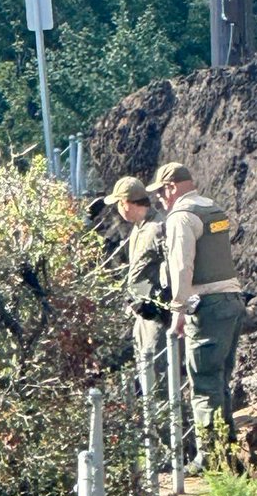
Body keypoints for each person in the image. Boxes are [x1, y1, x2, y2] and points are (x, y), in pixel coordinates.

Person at [145, 161, 245, 470]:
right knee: (220, 379)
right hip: (232, 300)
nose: (160, 200)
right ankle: (227, 454)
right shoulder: (212, 208)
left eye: (161, 193)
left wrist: (178, 312)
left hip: (208, 306)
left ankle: (210, 460)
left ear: (172, 187)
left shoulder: (181, 217)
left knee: (203, 381)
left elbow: (181, 267)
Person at [103, 175, 169, 371]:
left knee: (159, 374)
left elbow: (174, 267)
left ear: (126, 204)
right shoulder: (140, 229)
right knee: (145, 371)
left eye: (118, 204)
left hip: (157, 317)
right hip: (142, 314)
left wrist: (159, 303)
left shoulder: (158, 228)